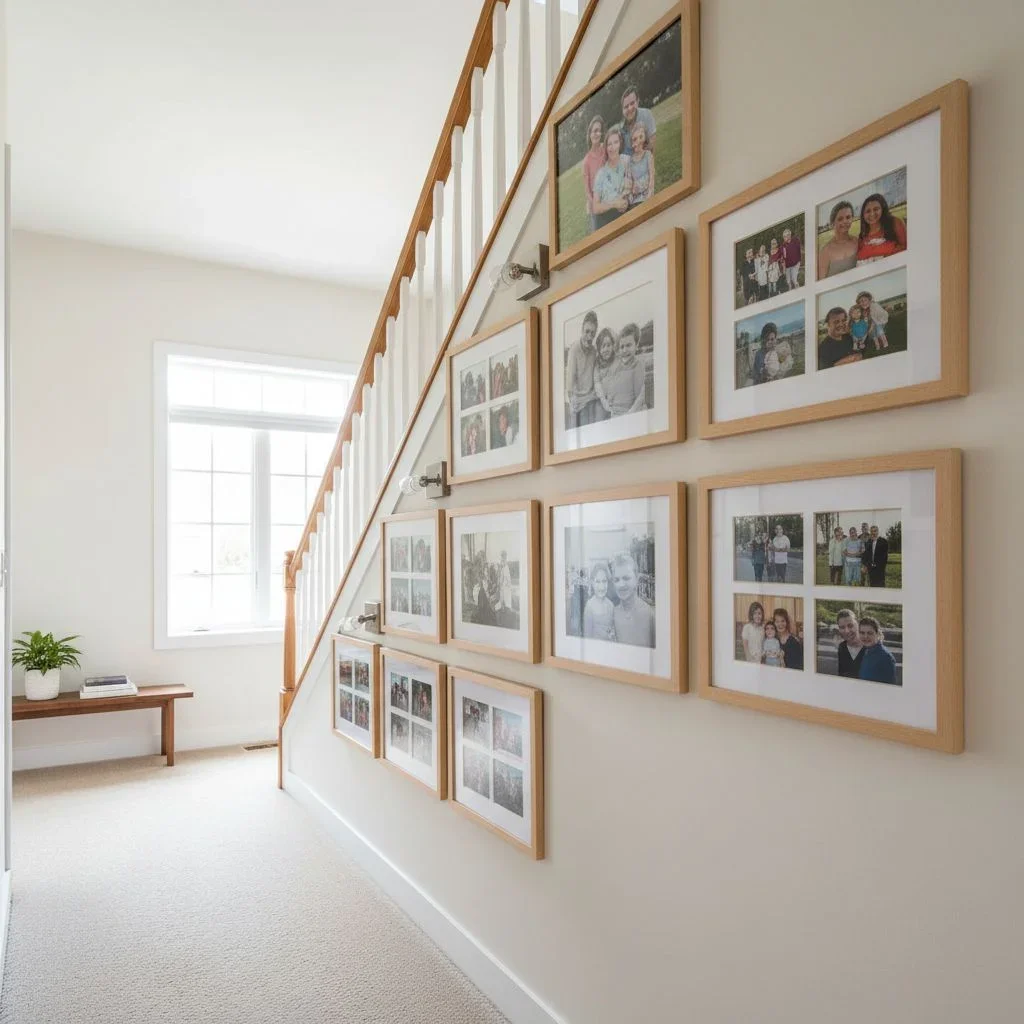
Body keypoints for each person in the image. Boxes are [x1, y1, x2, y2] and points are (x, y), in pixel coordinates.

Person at [598, 324, 647, 416]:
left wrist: (628, 415)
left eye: (628, 345)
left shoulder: (637, 365)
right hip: (614, 413)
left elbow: (639, 399)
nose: (624, 350)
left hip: (628, 413)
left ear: (636, 345)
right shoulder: (618, 366)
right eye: (622, 347)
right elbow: (611, 390)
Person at [610, 552, 654, 648]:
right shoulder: (612, 613)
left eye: (626, 578)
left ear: (637, 579)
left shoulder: (649, 614)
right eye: (616, 580)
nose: (621, 584)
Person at [565, 310, 600, 429]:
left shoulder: (594, 351)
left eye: (592, 333)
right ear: (582, 330)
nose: (589, 336)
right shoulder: (574, 350)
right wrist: (572, 403)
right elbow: (569, 384)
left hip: (590, 400)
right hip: (577, 402)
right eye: (587, 331)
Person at [591, 126, 630, 230]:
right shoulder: (601, 174)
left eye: (616, 142)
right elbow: (595, 207)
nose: (613, 148)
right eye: (609, 144)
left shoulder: (627, 161)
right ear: (606, 148)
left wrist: (625, 199)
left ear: (620, 143)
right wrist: (614, 204)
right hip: (606, 219)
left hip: (626, 213)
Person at [856, 193, 907, 265]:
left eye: (876, 209)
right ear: (863, 215)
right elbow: (860, 256)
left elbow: (905, 248)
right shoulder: (863, 235)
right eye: (868, 211)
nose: (872, 214)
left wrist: (873, 251)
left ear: (882, 209)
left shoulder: (895, 223)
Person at [817, 200, 859, 279]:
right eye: (840, 219)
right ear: (833, 223)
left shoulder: (857, 241)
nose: (845, 221)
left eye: (848, 217)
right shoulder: (825, 252)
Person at [581, 115, 606, 233]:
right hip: (595, 205)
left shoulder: (605, 149)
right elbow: (587, 191)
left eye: (599, 131)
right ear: (590, 134)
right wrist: (596, 205)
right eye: (595, 131)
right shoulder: (586, 161)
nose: (597, 134)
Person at [858, 616, 898, 684]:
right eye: (862, 633)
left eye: (870, 633)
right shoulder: (865, 651)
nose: (865, 636)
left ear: (877, 634)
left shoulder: (886, 657)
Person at [618, 84, 657, 156]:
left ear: (637, 101)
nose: (629, 108)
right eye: (626, 106)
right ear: (622, 110)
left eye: (632, 103)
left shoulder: (647, 114)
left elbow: (652, 141)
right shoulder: (620, 129)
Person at [582, 564, 616, 641]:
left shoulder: (611, 605)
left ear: (608, 582)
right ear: (592, 583)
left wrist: (612, 634)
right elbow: (587, 637)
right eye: (597, 581)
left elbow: (612, 630)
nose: (602, 586)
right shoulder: (589, 606)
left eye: (604, 581)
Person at [625, 122, 654, 208]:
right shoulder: (630, 161)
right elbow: (630, 182)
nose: (638, 142)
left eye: (640, 137)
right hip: (635, 200)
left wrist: (650, 194)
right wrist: (631, 191)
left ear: (644, 139)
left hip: (648, 197)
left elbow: (652, 177)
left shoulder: (648, 155)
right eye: (634, 139)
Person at [591, 328, 618, 421]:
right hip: (602, 398)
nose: (606, 349)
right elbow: (597, 382)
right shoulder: (597, 364)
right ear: (599, 349)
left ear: (613, 346)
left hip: (617, 396)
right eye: (603, 346)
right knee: (599, 417)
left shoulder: (617, 360)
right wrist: (604, 401)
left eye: (608, 345)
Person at [834, 608, 865, 677]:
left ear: (858, 624)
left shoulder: (870, 647)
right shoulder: (842, 647)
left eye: (850, 626)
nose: (847, 631)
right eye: (842, 627)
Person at [780, 226, 802, 291]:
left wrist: (799, 261)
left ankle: (798, 290)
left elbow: (799, 251)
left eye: (787, 235)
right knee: (788, 281)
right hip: (787, 266)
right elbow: (783, 258)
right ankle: (790, 290)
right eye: (784, 236)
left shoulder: (795, 241)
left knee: (794, 279)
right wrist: (784, 267)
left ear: (790, 235)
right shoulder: (783, 246)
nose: (785, 237)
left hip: (795, 264)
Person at [497, 551, 513, 618]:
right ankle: (503, 608)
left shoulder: (506, 567)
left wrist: (506, 584)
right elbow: (501, 576)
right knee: (502, 597)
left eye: (503, 556)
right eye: (502, 557)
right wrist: (500, 584)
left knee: (506, 597)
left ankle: (506, 609)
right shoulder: (503, 567)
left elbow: (507, 578)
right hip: (503, 585)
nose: (502, 559)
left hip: (505, 586)